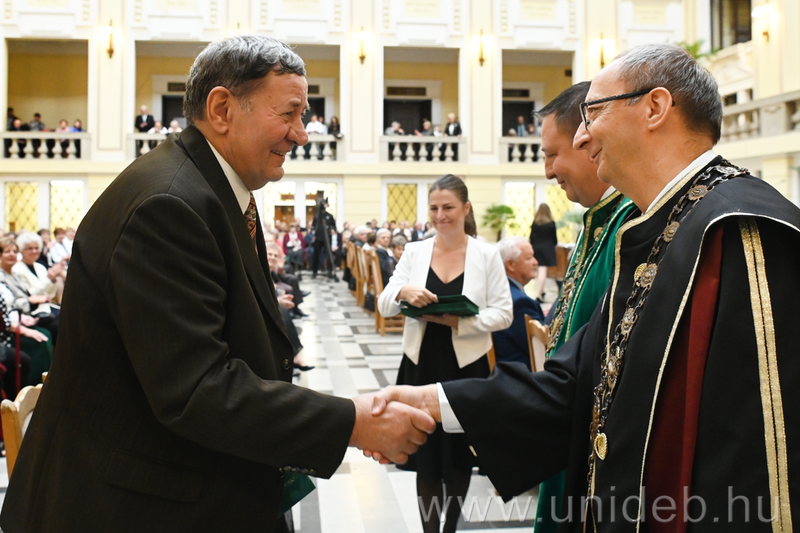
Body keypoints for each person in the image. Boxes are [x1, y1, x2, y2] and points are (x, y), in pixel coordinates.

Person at [0, 35, 435, 533]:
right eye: (289, 114)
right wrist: (353, 421)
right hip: (136, 506)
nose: (301, 134)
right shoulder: (169, 204)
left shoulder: (208, 189)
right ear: (223, 109)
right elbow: (195, 390)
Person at [372, 43, 800, 531]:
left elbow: (762, 459)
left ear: (655, 108)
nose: (581, 135)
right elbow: (576, 381)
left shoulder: (740, 229)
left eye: (592, 113)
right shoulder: (655, 227)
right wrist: (433, 402)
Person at [377, 174, 512, 533]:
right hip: (421, 363)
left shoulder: (486, 254)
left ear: (466, 208)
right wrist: (403, 290)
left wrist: (460, 322)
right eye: (434, 208)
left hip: (466, 367)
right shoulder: (415, 252)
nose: (440, 215)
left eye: (448, 207)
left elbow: (504, 313)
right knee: (426, 455)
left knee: (458, 455)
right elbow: (385, 304)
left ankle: (449, 528)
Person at [532, 81, 637, 533]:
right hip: (566, 425)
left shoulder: (632, 226)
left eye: (552, 154)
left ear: (586, 140)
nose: (548, 171)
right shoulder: (597, 221)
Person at [491, 236, 544, 369]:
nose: (535, 262)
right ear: (511, 265)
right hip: (522, 376)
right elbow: (543, 349)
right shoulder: (519, 303)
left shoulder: (498, 290)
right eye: (529, 258)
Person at [528, 203, 557, 302]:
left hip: (536, 248)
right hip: (547, 248)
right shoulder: (551, 223)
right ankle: (538, 295)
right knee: (543, 271)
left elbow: (531, 238)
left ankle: (542, 291)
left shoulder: (535, 223)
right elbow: (554, 239)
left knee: (539, 270)